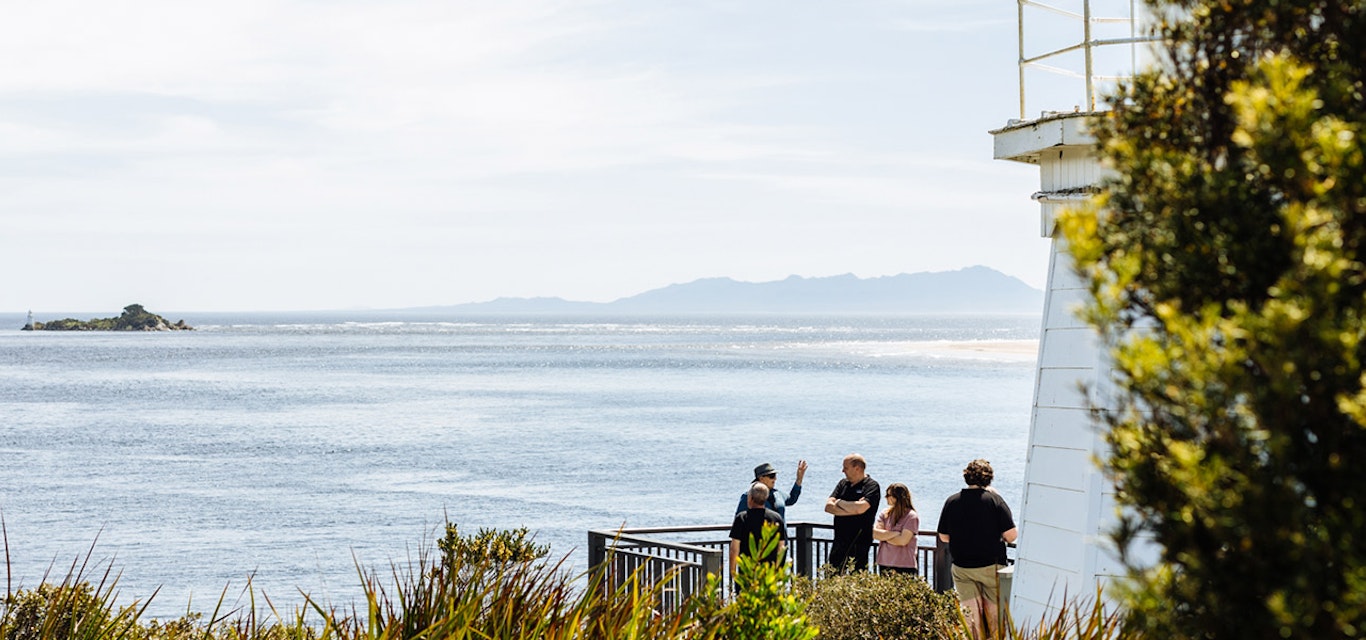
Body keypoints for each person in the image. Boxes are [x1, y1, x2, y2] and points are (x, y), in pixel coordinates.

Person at [937, 459, 1018, 640]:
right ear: (988, 479)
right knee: (995, 620)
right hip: (991, 566)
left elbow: (943, 536)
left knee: (971, 618)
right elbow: (1011, 536)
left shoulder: (952, 501)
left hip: (962, 568)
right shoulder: (994, 500)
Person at [823, 453, 881, 573]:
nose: (843, 470)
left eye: (846, 467)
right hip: (839, 542)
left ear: (857, 468)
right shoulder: (843, 484)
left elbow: (861, 508)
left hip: (859, 543)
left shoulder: (871, 486)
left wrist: (839, 502)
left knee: (857, 577)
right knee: (832, 575)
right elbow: (828, 506)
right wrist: (853, 509)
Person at [729, 482, 787, 585]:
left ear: (750, 498)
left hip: (747, 572)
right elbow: (781, 548)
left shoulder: (741, 518)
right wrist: (778, 571)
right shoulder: (777, 518)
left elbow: (734, 548)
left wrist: (733, 572)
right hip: (769, 574)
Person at [734, 460, 807, 522]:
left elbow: (792, 499)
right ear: (761, 478)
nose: (775, 479)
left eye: (775, 476)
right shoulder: (748, 496)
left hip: (780, 538)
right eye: (771, 476)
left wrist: (799, 479)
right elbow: (739, 520)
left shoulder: (778, 494)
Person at [872, 482, 920, 576]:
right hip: (884, 562)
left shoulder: (911, 516)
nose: (885, 497)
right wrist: (896, 533)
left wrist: (885, 536)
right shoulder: (885, 513)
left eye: (888, 495)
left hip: (904, 564)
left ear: (897, 497)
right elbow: (875, 534)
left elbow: (902, 541)